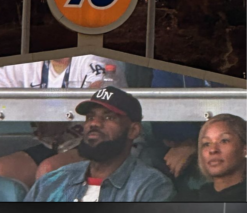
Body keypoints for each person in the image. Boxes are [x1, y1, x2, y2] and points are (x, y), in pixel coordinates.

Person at [24, 86, 176, 201]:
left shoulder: (151, 187)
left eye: (109, 117)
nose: (94, 123)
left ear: (133, 130)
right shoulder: (52, 182)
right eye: (90, 117)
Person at [178, 114, 246, 201]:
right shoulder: (189, 200)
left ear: (244, 149)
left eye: (224, 141)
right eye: (206, 144)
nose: (213, 150)